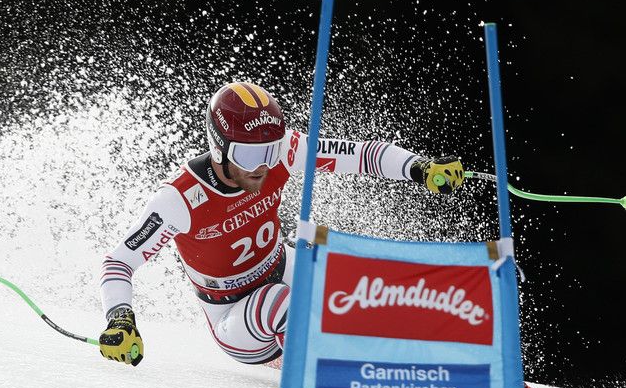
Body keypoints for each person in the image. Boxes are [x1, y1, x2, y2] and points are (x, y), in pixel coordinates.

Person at [96, 81, 466, 367]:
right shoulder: (178, 199)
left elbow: (359, 155)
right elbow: (119, 262)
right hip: (235, 316)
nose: (261, 166)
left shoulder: (282, 153)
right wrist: (120, 319)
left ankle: (424, 351)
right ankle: (340, 367)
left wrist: (418, 168)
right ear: (219, 146)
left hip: (281, 268)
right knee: (281, 302)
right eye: (248, 154)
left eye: (270, 151)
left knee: (357, 277)